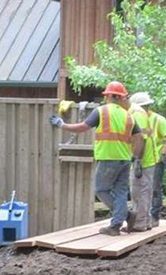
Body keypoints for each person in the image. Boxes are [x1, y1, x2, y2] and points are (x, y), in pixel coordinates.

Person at [49, 81, 144, 236]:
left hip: (108, 158)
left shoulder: (102, 111)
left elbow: (82, 127)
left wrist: (61, 124)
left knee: (101, 189)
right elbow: (139, 137)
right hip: (125, 159)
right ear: (120, 97)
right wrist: (136, 157)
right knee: (120, 192)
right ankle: (122, 219)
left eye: (107, 95)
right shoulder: (128, 116)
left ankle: (121, 219)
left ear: (110, 96)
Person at [128, 92, 166, 229]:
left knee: (151, 190)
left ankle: (150, 218)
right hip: (148, 158)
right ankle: (148, 219)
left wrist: (163, 151)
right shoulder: (141, 117)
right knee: (147, 190)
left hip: (152, 159)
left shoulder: (155, 119)